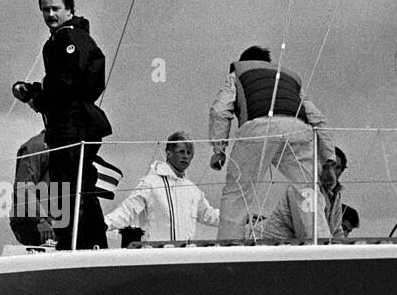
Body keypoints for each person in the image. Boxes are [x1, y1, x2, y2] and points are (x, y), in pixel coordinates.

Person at [12, 0, 113, 250]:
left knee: (67, 188)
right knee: (77, 186)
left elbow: (68, 83)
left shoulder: (70, 38)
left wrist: (37, 96)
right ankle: (88, 244)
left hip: (73, 126)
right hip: (70, 125)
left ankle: (75, 245)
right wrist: (36, 93)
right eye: (45, 10)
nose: (50, 15)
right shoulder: (63, 39)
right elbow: (64, 83)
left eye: (56, 8)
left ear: (69, 10)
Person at [207, 45, 335, 240]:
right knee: (308, 189)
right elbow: (318, 119)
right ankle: (321, 242)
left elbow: (219, 110)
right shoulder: (289, 79)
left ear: (243, 61)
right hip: (297, 129)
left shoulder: (237, 74)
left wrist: (219, 149)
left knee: (238, 192)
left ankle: (229, 244)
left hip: (258, 129)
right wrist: (329, 161)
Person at [104, 133, 221, 243]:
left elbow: (208, 215)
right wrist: (104, 224)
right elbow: (128, 209)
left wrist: (237, 218)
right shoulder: (150, 183)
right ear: (169, 153)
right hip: (157, 254)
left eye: (189, 153)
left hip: (185, 255)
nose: (185, 157)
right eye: (181, 152)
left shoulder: (192, 190)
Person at [262, 147, 359, 242]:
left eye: (337, 168)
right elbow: (310, 230)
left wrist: (341, 250)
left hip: (294, 249)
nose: (332, 172)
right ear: (318, 165)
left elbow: (336, 230)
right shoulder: (303, 187)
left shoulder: (334, 194)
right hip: (273, 247)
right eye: (327, 166)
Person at [10, 128, 54, 246]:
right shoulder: (37, 147)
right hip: (35, 222)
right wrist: (41, 219)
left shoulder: (70, 146)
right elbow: (23, 188)